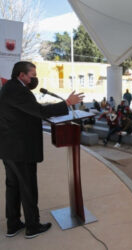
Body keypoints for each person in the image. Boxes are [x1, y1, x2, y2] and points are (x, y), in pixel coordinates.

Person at [0, 61, 83, 238]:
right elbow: (39, 111)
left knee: (13, 186)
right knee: (27, 186)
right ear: (21, 75)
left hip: (10, 149)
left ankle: (13, 224)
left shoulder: (10, 88)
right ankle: (33, 226)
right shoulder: (18, 90)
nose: (34, 78)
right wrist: (67, 103)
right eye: (32, 75)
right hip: (21, 150)